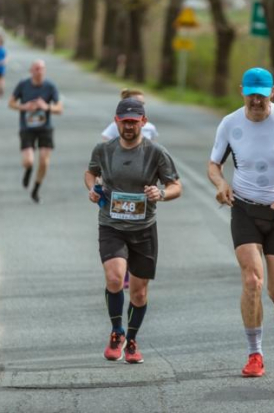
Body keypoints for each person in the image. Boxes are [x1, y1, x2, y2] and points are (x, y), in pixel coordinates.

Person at [207, 67, 274, 378]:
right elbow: (214, 164)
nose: (256, 100)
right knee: (252, 281)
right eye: (251, 93)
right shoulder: (230, 124)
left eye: (261, 94)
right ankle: (255, 353)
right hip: (244, 209)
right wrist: (220, 184)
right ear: (242, 91)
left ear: (272, 92)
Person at [84, 98, 182, 364]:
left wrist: (160, 193)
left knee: (139, 293)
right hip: (111, 225)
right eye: (124, 121)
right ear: (116, 121)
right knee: (115, 278)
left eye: (134, 121)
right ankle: (117, 332)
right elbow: (91, 173)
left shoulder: (156, 153)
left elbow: (176, 186)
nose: (129, 126)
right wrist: (92, 189)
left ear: (143, 121)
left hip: (144, 229)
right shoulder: (103, 150)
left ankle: (132, 339)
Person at [101, 88, 159, 289]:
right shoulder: (114, 129)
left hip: (140, 185)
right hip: (120, 181)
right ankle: (121, 269)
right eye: (136, 102)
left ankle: (132, 270)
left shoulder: (150, 128)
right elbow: (105, 150)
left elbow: (154, 151)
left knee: (136, 228)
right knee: (120, 230)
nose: (139, 106)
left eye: (142, 104)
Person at [8, 60, 63, 203]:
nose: (39, 71)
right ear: (31, 71)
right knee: (28, 160)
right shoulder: (23, 85)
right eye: (36, 69)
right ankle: (28, 170)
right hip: (27, 128)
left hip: (45, 128)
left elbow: (59, 108)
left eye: (42, 69)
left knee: (44, 161)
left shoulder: (50, 86)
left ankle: (36, 189)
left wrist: (46, 107)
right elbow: (11, 103)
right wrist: (24, 107)